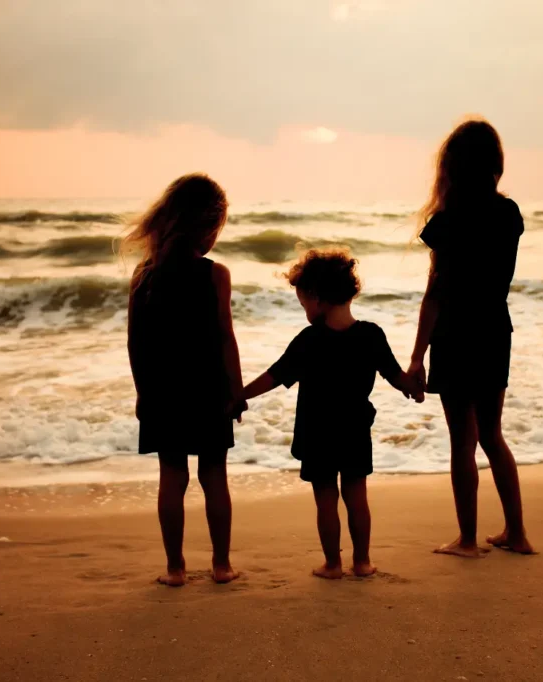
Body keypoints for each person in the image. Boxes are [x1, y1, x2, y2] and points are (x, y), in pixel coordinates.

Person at [243, 249, 423, 579]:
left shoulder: (309, 340)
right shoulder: (371, 334)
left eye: (304, 304)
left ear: (317, 298)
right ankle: (363, 562)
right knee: (357, 496)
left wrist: (240, 396)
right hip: (355, 429)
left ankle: (332, 564)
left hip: (317, 432)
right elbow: (395, 375)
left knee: (325, 498)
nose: (305, 312)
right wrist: (413, 387)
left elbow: (275, 375)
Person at [407, 119, 535, 558]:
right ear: (494, 164)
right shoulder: (509, 214)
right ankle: (516, 533)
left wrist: (416, 356)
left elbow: (435, 293)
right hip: (495, 329)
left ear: (451, 167)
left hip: (456, 334)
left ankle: (467, 540)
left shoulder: (447, 221)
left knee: (462, 440)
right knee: (493, 435)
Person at [124, 173, 245, 586]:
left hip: (162, 390)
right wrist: (236, 389)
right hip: (208, 387)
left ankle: (175, 569)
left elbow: (134, 341)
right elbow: (226, 335)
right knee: (214, 476)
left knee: (172, 476)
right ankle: (221, 565)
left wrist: (143, 393)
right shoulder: (215, 274)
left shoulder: (145, 274)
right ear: (207, 228)